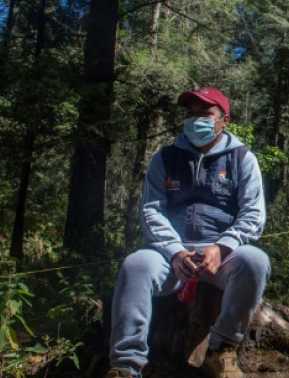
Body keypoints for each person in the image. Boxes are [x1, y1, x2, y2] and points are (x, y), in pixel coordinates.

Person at [106, 87, 270, 378]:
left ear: (224, 120)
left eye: (205, 114)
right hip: (170, 253)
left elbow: (253, 214)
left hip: (223, 255)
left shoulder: (242, 158)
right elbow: (151, 210)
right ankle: (125, 365)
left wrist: (221, 247)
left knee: (255, 261)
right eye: (191, 114)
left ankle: (222, 349)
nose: (196, 121)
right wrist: (175, 252)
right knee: (135, 265)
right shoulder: (165, 157)